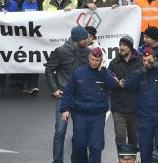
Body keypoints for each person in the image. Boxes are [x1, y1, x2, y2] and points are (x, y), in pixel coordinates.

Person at [58, 47, 118, 163]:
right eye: (92, 59)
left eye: (97, 60)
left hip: (98, 115)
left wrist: (103, 72)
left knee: (96, 147)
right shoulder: (79, 72)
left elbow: (113, 86)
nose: (94, 62)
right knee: (79, 145)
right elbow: (69, 91)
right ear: (89, 58)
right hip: (80, 114)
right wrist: (65, 109)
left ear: (101, 60)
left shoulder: (105, 73)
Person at [122, 46, 158, 163]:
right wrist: (140, 71)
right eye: (144, 61)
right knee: (145, 149)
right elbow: (127, 86)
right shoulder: (139, 72)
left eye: (149, 60)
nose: (147, 63)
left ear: (154, 59)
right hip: (145, 117)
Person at [45, 25, 93, 163]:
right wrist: (54, 89)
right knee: (60, 131)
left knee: (79, 133)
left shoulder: (87, 52)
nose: (87, 40)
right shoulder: (61, 51)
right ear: (77, 39)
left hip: (81, 97)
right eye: (85, 39)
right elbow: (49, 70)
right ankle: (57, 161)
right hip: (64, 96)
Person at [107, 36, 139, 153]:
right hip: (118, 108)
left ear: (130, 47)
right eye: (120, 45)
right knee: (120, 137)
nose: (121, 47)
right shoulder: (114, 63)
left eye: (124, 45)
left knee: (134, 139)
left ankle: (132, 159)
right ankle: (123, 160)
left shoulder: (140, 61)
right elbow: (108, 82)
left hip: (135, 108)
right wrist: (117, 84)